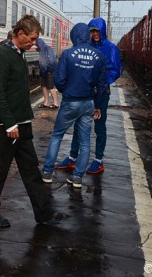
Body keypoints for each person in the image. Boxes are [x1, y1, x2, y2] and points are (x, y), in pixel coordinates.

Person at [0, 14, 54, 227]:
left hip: (21, 123)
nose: (34, 43)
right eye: (31, 39)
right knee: (0, 168)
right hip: (8, 126)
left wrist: (20, 122)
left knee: (30, 168)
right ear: (20, 34)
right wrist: (10, 123)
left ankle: (44, 213)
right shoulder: (3, 55)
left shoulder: (19, 53)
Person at [41, 23, 107, 188]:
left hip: (70, 101)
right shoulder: (98, 55)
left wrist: (66, 91)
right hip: (88, 103)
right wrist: (97, 104)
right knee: (85, 142)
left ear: (74, 35)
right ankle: (77, 178)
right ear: (87, 35)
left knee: (57, 135)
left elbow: (59, 79)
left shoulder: (68, 54)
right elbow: (102, 84)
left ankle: (47, 172)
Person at [55, 17, 122, 174]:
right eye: (92, 31)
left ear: (103, 31)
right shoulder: (87, 47)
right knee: (79, 126)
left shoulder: (110, 48)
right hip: (86, 93)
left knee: (99, 126)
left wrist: (101, 82)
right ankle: (72, 157)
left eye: (98, 31)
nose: (95, 34)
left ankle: (98, 160)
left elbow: (116, 70)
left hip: (101, 93)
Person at [36, 37, 59, 109]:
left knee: (50, 86)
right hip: (44, 71)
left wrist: (49, 70)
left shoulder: (47, 49)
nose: (36, 47)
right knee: (44, 86)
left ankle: (56, 103)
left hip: (49, 71)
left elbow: (51, 61)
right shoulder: (41, 50)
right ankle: (46, 102)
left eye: (37, 45)